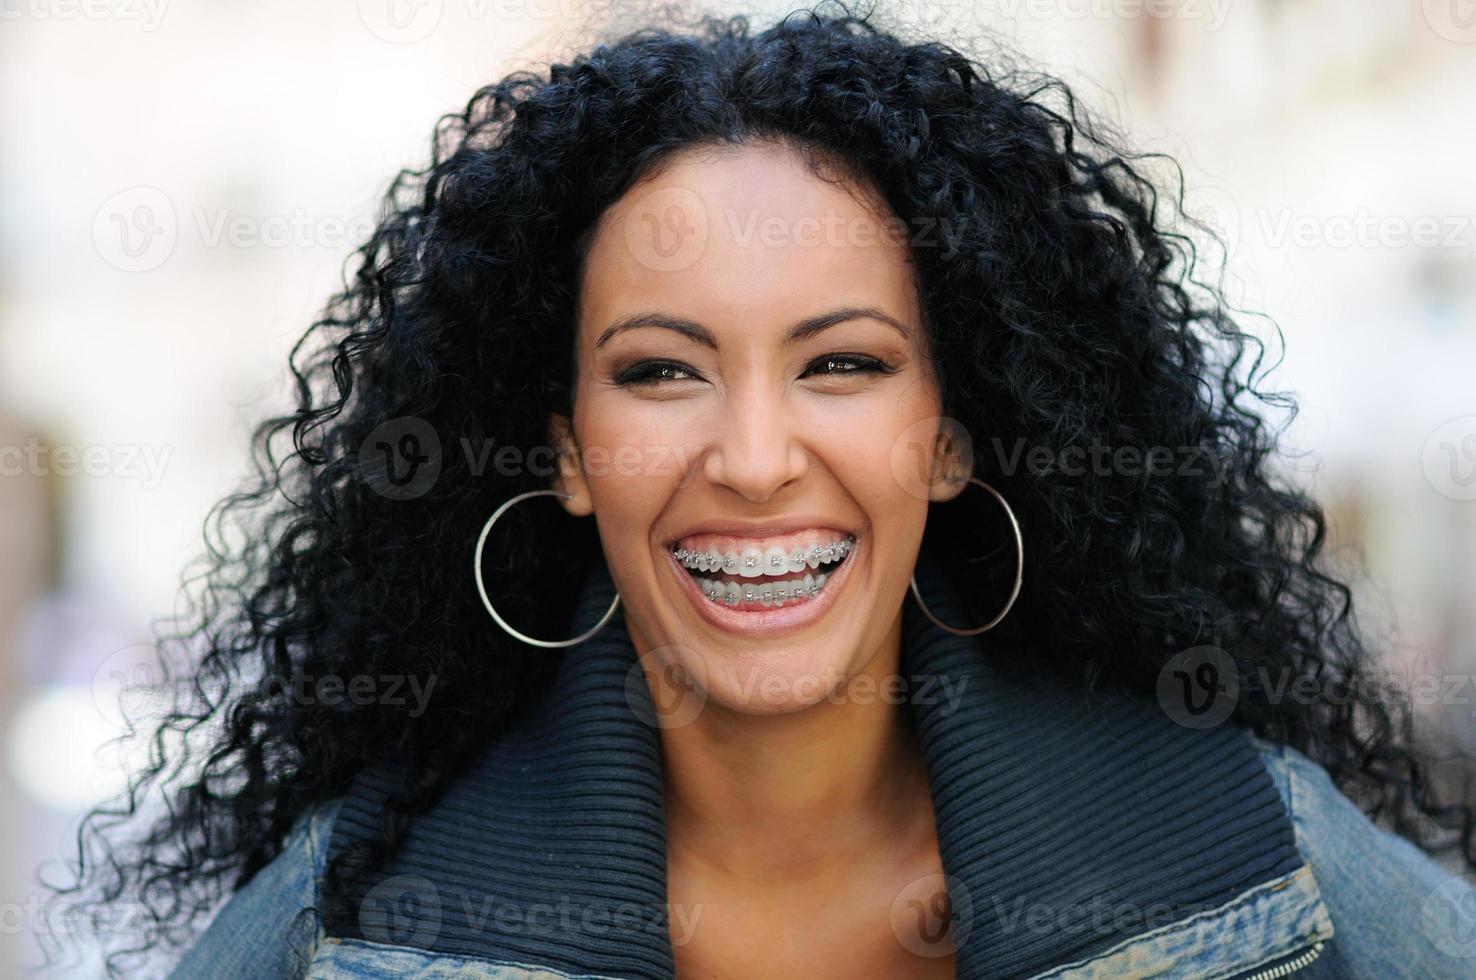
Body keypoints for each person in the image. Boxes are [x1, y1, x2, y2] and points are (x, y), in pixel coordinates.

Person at [46, 5, 1476, 977]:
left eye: (841, 365)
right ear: (561, 448)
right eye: (662, 373)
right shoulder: (356, 918)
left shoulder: (1245, 854)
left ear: (951, 437)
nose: (751, 456)